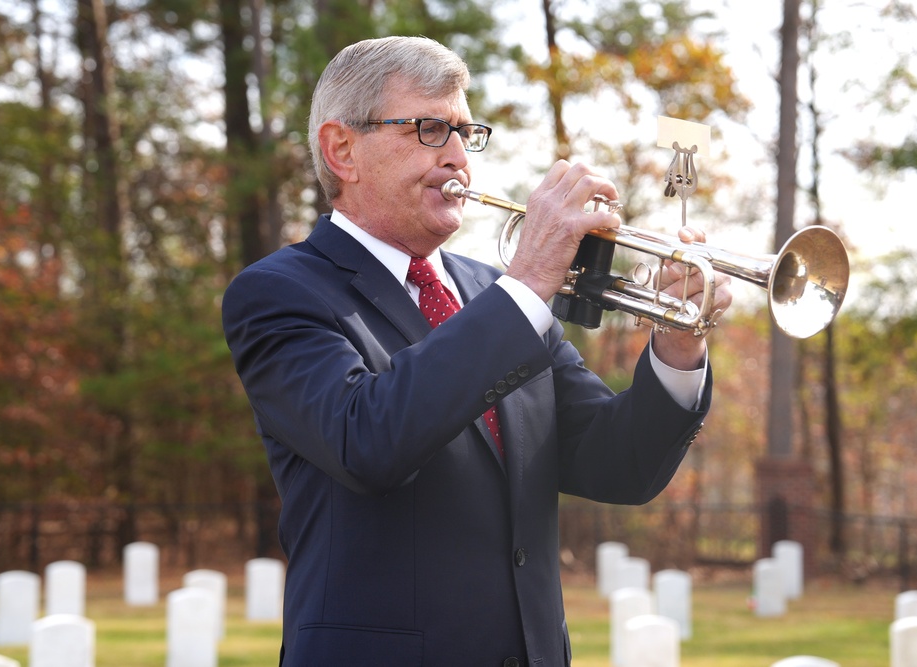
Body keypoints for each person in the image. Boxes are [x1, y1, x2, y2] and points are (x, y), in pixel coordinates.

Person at [222, 35, 732, 667]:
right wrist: (530, 282)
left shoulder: (495, 295)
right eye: (430, 130)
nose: (459, 157)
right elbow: (367, 440)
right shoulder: (280, 292)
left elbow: (617, 465)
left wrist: (678, 349)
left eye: (466, 133)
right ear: (342, 149)